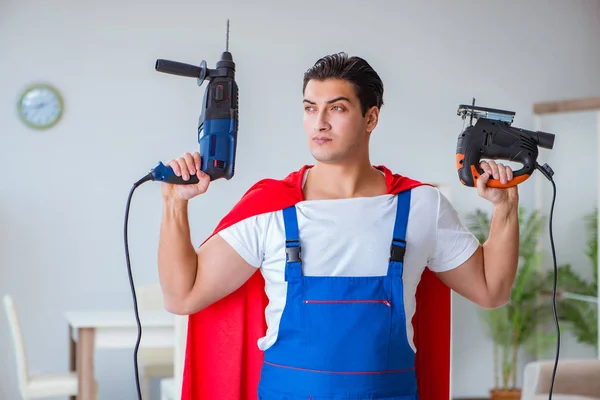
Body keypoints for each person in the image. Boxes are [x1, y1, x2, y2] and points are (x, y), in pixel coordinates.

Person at [157, 52, 519, 400]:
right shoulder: (269, 210)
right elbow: (182, 294)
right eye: (310, 108)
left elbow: (491, 290)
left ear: (370, 118)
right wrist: (174, 203)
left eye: (338, 108)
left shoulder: (420, 206)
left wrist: (504, 207)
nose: (320, 122)